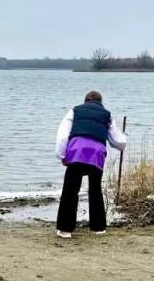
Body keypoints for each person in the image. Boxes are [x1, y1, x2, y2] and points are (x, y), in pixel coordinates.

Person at [54, 91, 127, 239]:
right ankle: (98, 228)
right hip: (97, 154)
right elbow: (117, 141)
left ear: (85, 101)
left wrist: (61, 155)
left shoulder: (74, 111)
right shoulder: (107, 115)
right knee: (95, 189)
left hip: (76, 152)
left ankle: (65, 229)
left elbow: (62, 135)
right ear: (101, 102)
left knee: (70, 190)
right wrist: (124, 139)